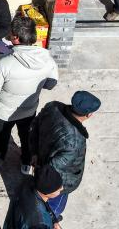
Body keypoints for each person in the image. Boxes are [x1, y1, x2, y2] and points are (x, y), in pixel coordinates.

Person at [0, 16, 59, 185]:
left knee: (0, 142)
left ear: (15, 38)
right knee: (26, 137)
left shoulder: (4, 65)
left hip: (3, 113)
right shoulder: (48, 60)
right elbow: (51, 84)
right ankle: (26, 164)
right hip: (29, 109)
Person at [29, 90, 100, 221]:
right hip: (59, 182)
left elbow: (35, 125)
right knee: (53, 209)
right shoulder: (75, 143)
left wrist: (34, 152)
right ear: (89, 114)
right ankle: (50, 219)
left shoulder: (53, 106)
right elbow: (53, 170)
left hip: (40, 158)